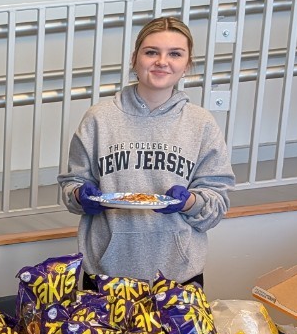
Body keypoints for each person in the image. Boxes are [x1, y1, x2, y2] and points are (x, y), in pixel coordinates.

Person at [57, 16, 235, 287]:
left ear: (186, 65)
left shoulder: (201, 123)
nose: (162, 61)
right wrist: (81, 195)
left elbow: (216, 204)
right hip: (106, 273)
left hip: (178, 277)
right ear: (134, 59)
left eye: (175, 54)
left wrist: (190, 202)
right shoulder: (98, 118)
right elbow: (72, 187)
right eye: (151, 52)